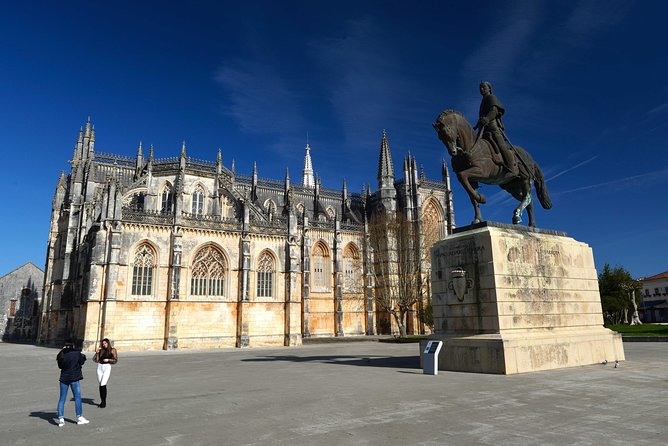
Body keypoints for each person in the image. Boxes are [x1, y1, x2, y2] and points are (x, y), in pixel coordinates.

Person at [474, 81, 518, 175]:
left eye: (484, 87)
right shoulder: (483, 101)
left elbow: (494, 111)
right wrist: (477, 125)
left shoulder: (491, 97)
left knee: (501, 146)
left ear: (489, 88)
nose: (481, 89)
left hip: (492, 127)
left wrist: (487, 119)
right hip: (483, 129)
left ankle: (512, 168)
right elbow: (482, 117)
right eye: (480, 88)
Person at [56, 338, 89, 427]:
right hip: (74, 377)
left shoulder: (61, 354)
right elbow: (81, 362)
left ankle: (61, 419)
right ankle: (79, 417)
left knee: (62, 399)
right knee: (77, 397)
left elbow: (60, 366)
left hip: (64, 378)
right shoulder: (76, 353)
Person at [94, 338, 118, 408]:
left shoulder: (113, 350)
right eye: (103, 344)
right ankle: (102, 401)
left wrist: (108, 359)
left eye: (105, 343)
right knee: (100, 384)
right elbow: (96, 360)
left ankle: (104, 402)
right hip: (99, 367)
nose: (104, 345)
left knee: (103, 383)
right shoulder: (101, 350)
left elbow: (115, 360)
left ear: (108, 343)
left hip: (107, 367)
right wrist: (97, 352)